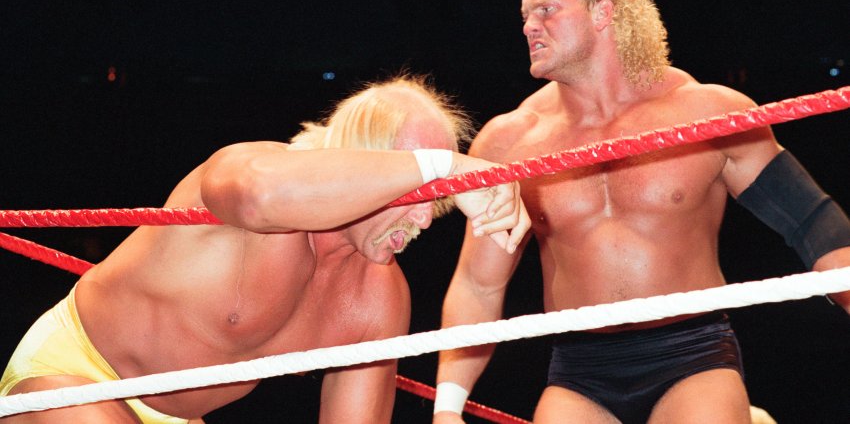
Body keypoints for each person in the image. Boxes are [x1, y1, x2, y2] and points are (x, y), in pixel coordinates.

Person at [433, 0, 850, 423]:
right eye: (525, 15)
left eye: (546, 10)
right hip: (579, 369)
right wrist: (448, 408)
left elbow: (811, 221)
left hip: (692, 355)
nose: (529, 26)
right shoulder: (510, 141)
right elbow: (478, 283)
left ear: (602, 12)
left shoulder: (705, 112)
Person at [0, 74, 531, 423]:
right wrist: (448, 169)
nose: (423, 219)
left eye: (434, 202)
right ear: (366, 168)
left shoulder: (377, 298)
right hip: (73, 372)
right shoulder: (254, 176)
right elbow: (261, 197)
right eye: (417, 196)